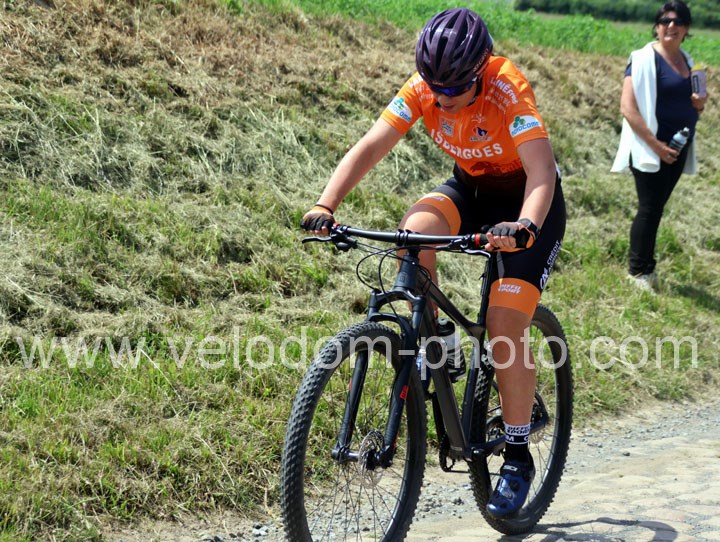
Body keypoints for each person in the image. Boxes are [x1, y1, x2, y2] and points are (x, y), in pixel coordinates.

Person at [301, 8, 565, 517]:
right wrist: (325, 204)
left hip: (528, 203)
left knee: (503, 324)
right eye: (434, 87)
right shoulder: (425, 86)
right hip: (472, 189)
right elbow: (372, 145)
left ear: (480, 71)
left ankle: (516, 455)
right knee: (413, 233)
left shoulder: (507, 86)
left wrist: (526, 226)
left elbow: (541, 172)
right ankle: (440, 342)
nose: (441, 99)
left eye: (454, 89)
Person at [611, 0, 707, 291]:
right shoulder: (641, 59)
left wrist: (700, 104)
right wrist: (655, 145)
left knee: (657, 208)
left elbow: (696, 103)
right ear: (656, 27)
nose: (671, 26)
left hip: (678, 148)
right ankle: (637, 272)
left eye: (678, 22)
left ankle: (647, 267)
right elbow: (627, 108)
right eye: (665, 21)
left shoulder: (688, 61)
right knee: (649, 208)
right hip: (649, 147)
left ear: (686, 29)